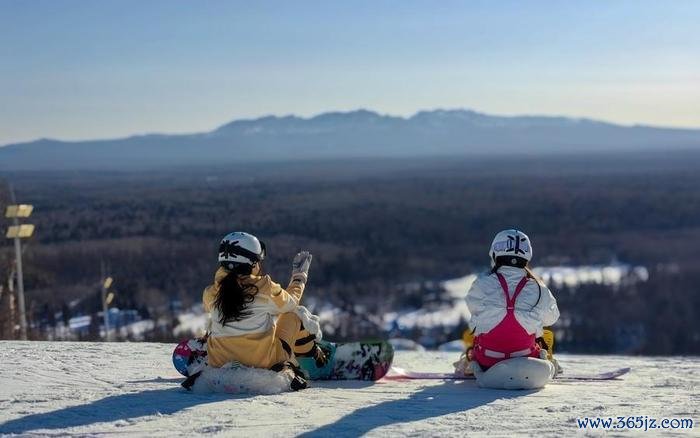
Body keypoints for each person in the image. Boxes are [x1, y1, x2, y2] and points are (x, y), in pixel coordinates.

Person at [199, 231, 326, 390]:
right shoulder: (265, 288)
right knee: (294, 314)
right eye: (258, 261)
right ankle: (311, 358)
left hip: (219, 361)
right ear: (252, 263)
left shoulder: (210, 293)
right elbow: (291, 303)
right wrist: (299, 276)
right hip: (262, 361)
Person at [456, 229, 560, 374]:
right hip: (528, 360)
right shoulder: (538, 287)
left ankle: (469, 362)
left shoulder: (481, 283)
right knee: (546, 335)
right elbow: (552, 318)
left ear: (495, 253)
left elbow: (473, 308)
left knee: (470, 334)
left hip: (487, 362)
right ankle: (549, 361)